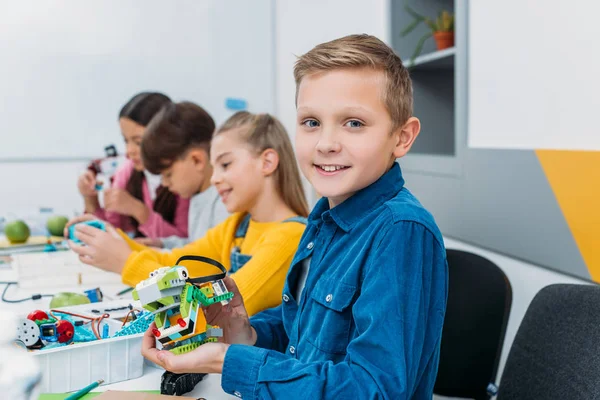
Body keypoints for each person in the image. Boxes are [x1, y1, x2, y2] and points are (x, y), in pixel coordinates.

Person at [141, 34, 449, 399]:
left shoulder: (400, 231)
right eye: (311, 122)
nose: (325, 143)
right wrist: (245, 334)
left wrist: (229, 361)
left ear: (402, 137)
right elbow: (306, 337)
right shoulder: (323, 219)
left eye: (353, 123)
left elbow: (375, 389)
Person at [67, 111, 309, 316]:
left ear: (267, 162)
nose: (214, 178)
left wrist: (125, 264)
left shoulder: (290, 236)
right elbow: (175, 264)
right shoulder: (237, 225)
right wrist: (115, 240)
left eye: (225, 165)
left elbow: (217, 311)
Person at [76, 92, 189, 239]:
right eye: (126, 141)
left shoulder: (184, 177)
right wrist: (90, 200)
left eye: (138, 142)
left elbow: (187, 243)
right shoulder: (128, 170)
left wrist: (139, 211)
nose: (129, 151)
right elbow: (110, 234)